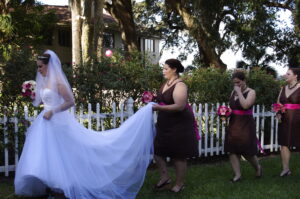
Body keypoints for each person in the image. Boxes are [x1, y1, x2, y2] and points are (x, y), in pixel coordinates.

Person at [14, 50, 156, 199]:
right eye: (38, 67)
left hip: (57, 121)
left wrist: (53, 111)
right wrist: (33, 94)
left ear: (49, 66)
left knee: (61, 155)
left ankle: (61, 187)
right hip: (45, 121)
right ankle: (50, 185)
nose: (38, 70)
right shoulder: (44, 81)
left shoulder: (58, 82)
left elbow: (70, 102)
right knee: (45, 154)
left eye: (40, 66)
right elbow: (48, 100)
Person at [152, 59, 199, 193]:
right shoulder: (166, 83)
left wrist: (158, 108)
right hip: (164, 123)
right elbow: (163, 101)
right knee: (157, 151)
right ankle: (165, 177)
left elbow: (179, 106)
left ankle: (179, 184)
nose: (163, 70)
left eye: (166, 68)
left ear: (174, 70)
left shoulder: (180, 85)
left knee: (178, 155)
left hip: (179, 124)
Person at [224, 71, 262, 182]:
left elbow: (245, 105)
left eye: (238, 82)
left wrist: (239, 92)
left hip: (245, 124)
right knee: (232, 150)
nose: (236, 85)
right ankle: (237, 175)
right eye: (234, 83)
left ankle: (258, 167)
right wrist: (226, 112)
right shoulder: (233, 91)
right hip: (233, 123)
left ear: (244, 81)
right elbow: (232, 107)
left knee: (247, 151)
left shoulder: (251, 92)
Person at [276, 68, 300, 177]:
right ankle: (286, 169)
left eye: (288, 74)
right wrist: (278, 110)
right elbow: (278, 102)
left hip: (297, 120)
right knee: (284, 144)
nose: (285, 75)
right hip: (284, 120)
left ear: (295, 76)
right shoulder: (283, 88)